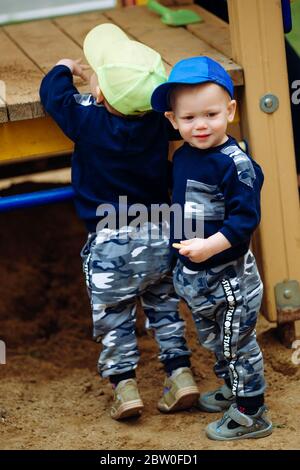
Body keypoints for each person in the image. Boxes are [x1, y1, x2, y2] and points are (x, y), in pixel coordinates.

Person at [39, 24, 200, 420]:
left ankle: (125, 386)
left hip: (111, 241)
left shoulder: (85, 119)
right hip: (160, 232)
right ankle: (180, 373)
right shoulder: (158, 122)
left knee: (114, 317)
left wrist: (65, 67)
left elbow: (53, 95)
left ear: (98, 94)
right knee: (164, 306)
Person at [151, 56, 273, 440]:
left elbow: (243, 221)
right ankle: (233, 390)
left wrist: (209, 247)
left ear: (231, 111)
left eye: (211, 114)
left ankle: (252, 411)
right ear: (173, 120)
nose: (200, 125)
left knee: (236, 343)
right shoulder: (185, 156)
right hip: (197, 274)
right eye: (189, 119)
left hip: (229, 277)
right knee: (214, 340)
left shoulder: (235, 167)